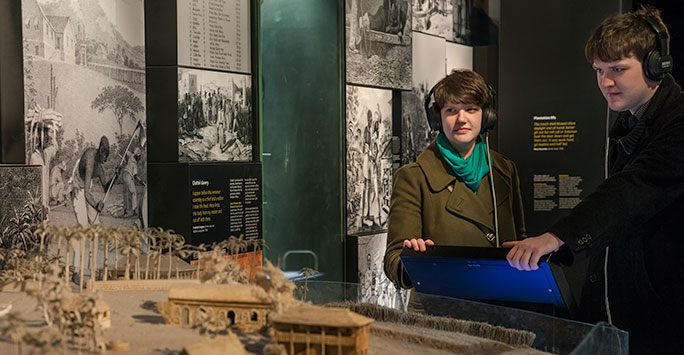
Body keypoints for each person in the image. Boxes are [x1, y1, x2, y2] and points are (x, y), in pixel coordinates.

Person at [503, 8, 684, 354]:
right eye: (599, 71)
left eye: (618, 69)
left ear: (655, 65)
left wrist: (556, 236)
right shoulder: (632, 125)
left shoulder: (678, 123)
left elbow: (631, 191)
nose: (606, 82)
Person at [384, 69, 526, 289]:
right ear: (438, 118)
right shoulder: (414, 178)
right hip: (440, 311)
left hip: (502, 303)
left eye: (471, 109)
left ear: (486, 115)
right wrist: (415, 260)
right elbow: (393, 259)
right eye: (451, 110)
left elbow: (520, 238)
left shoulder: (504, 170)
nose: (462, 119)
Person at [71, 136, 117, 225]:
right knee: (84, 226)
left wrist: (115, 176)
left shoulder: (99, 167)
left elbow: (106, 188)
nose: (105, 160)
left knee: (97, 224)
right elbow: (86, 194)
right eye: (104, 157)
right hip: (79, 189)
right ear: (100, 152)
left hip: (87, 189)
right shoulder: (90, 160)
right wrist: (96, 206)